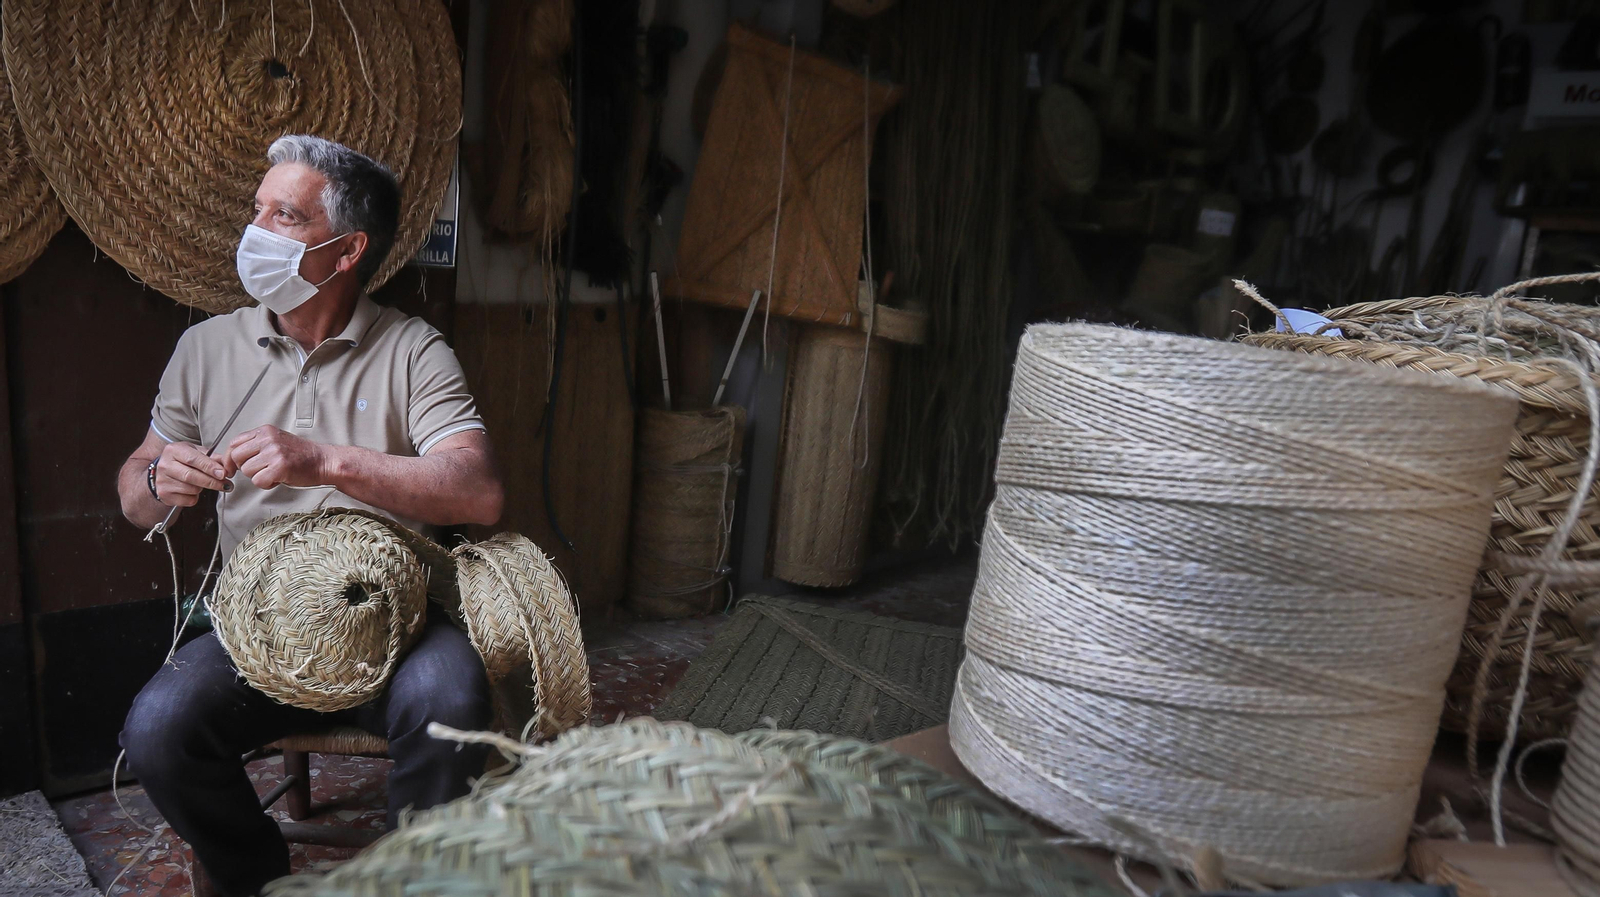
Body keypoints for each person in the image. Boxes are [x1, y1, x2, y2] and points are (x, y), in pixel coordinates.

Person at [116, 135, 505, 896]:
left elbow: (479, 491)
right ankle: (254, 875)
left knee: (453, 705)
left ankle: (410, 880)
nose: (254, 231)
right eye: (256, 209)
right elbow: (134, 495)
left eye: (283, 215)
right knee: (158, 731)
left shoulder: (413, 350)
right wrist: (162, 475)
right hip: (255, 628)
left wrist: (322, 459)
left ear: (346, 248)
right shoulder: (205, 349)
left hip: (398, 624)